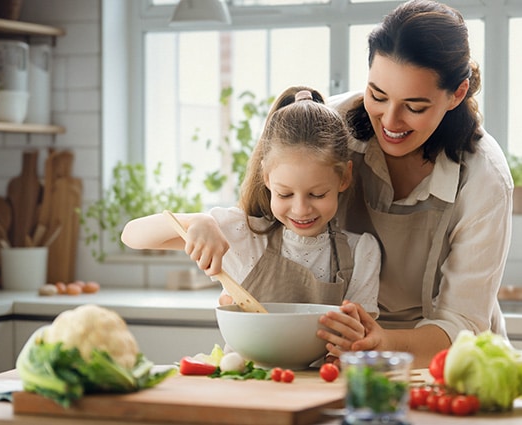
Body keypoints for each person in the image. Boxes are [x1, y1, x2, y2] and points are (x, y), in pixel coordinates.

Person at [317, 0, 513, 367]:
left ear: (457, 94)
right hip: (345, 354)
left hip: (448, 363)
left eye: (415, 106)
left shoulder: (483, 175)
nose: (390, 120)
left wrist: (383, 341)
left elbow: (462, 323)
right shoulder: (332, 128)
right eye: (377, 95)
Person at [121, 86, 380, 322]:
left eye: (318, 195)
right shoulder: (242, 235)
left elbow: (361, 333)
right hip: (246, 373)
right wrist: (199, 221)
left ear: (344, 177)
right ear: (266, 177)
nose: (301, 209)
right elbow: (132, 235)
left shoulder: (361, 252)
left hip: (322, 375)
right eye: (285, 194)